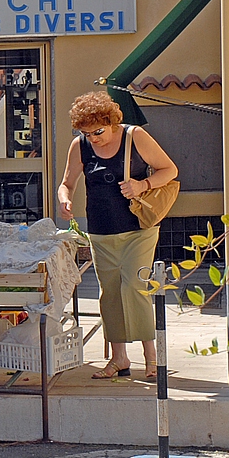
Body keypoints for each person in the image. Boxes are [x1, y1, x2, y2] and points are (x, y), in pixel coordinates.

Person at [57, 92, 178, 380]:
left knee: (134, 286)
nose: (93, 138)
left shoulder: (135, 136)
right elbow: (67, 183)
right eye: (86, 133)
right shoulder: (80, 146)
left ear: (112, 122)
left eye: (98, 131)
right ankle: (119, 359)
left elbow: (170, 170)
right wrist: (64, 200)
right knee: (110, 294)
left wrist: (142, 184)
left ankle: (152, 358)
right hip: (100, 231)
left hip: (138, 228)